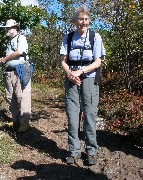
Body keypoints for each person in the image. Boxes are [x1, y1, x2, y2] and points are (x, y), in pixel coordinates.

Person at [60, 6, 105, 165]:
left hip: (90, 78)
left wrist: (81, 72)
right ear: (75, 21)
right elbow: (63, 61)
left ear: (89, 20)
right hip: (71, 79)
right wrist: (71, 74)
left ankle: (91, 151)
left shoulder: (95, 37)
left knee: (89, 115)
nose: (83, 22)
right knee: (72, 117)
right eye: (80, 19)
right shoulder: (68, 37)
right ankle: (74, 151)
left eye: (86, 19)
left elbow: (98, 61)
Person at [0, 19, 31, 133]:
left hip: (20, 70)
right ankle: (15, 120)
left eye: (8, 28)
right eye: (6, 28)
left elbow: (20, 51)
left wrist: (5, 59)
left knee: (22, 96)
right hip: (9, 71)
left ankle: (24, 123)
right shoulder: (9, 41)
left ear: (15, 28)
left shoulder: (21, 38)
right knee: (10, 96)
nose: (6, 30)